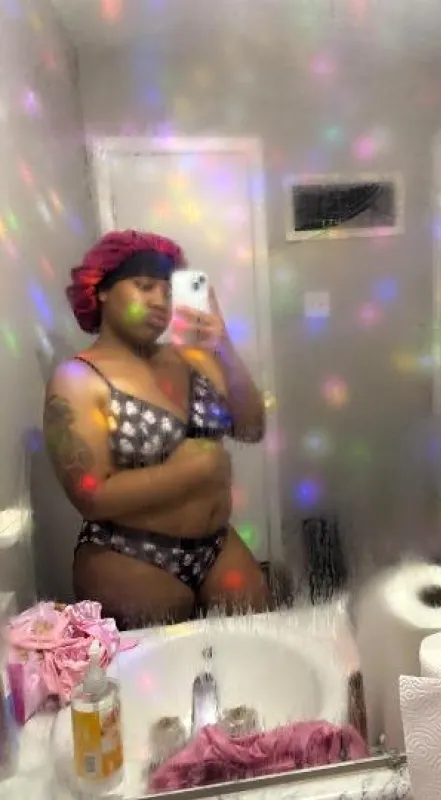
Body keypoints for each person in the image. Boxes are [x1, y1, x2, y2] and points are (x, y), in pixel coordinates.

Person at [43, 229, 272, 629]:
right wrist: (192, 471)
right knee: (158, 663)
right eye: (144, 286)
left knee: (259, 639)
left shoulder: (192, 357)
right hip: (129, 552)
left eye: (167, 291)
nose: (159, 302)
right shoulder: (77, 379)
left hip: (216, 545)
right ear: (102, 291)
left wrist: (224, 346)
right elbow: (91, 497)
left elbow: (252, 427)